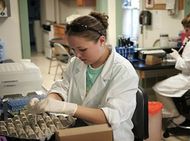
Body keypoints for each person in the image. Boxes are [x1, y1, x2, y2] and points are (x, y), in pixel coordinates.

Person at [28, 12, 139, 141]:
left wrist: (67, 108)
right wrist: (50, 101)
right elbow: (63, 87)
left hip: (110, 135)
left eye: (82, 49)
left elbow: (110, 117)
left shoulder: (123, 71)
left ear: (102, 41)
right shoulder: (76, 63)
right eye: (73, 50)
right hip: (79, 127)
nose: (78, 55)